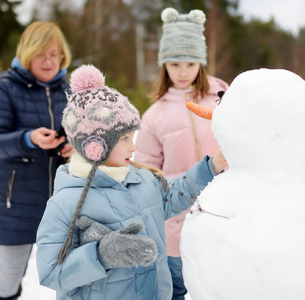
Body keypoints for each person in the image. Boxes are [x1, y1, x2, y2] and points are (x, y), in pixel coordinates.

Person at [35, 64, 227, 300]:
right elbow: (51, 271)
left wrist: (212, 166)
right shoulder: (65, 203)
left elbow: (173, 194)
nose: (133, 147)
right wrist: (101, 255)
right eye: (124, 139)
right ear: (95, 148)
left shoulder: (141, 179)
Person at [134, 7, 229, 300]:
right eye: (175, 64)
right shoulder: (154, 116)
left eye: (190, 63)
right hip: (177, 226)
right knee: (177, 290)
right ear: (164, 65)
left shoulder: (222, 95)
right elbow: (145, 175)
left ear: (201, 61)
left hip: (224, 217)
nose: (184, 72)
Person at [0, 21, 74, 300]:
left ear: (63, 56)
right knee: (10, 275)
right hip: (16, 201)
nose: (48, 61)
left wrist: (76, 147)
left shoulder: (72, 91)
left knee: (71, 275)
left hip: (64, 201)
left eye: (54, 54)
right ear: (27, 53)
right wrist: (28, 139)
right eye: (40, 54)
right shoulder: (6, 88)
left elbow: (88, 136)